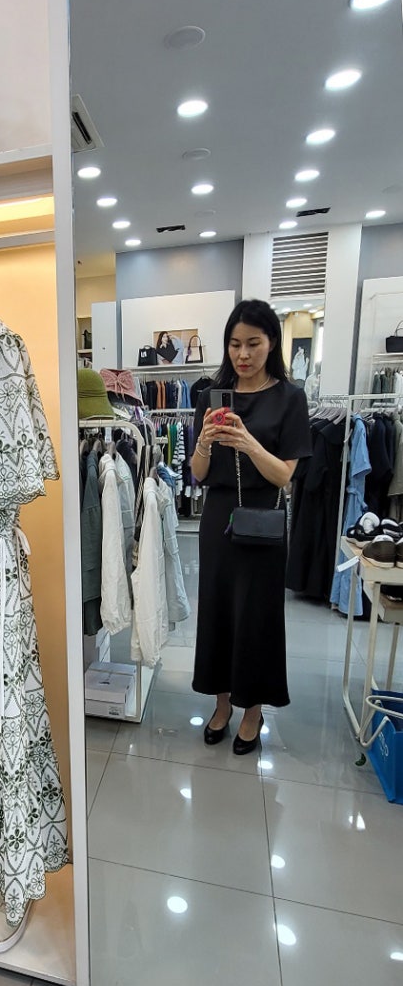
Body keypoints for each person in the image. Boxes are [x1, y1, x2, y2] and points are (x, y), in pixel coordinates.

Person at [190, 299, 312, 754]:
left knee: (256, 617)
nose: (243, 354)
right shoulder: (210, 396)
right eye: (235, 344)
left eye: (253, 344)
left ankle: (253, 709)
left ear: (272, 343)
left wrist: (248, 443)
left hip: (264, 521)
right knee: (218, 612)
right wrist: (205, 442)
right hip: (218, 520)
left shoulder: (290, 398)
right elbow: (198, 474)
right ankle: (221, 703)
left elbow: (284, 476)